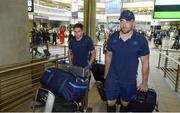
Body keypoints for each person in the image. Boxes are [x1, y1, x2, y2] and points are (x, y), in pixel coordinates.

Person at [104, 10, 150, 112]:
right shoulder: (113, 37)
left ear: (133, 22)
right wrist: (106, 74)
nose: (124, 25)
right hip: (113, 77)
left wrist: (145, 82)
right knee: (110, 102)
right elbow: (108, 55)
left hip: (129, 79)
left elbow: (145, 62)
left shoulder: (141, 40)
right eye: (122, 21)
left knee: (125, 102)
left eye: (127, 21)